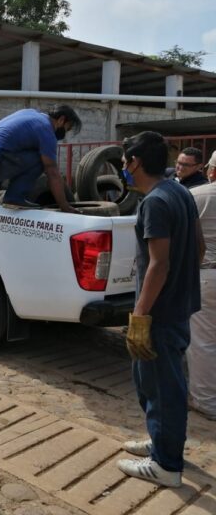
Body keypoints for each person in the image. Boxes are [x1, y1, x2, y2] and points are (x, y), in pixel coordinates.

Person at [117, 131, 204, 488]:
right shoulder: (180, 191)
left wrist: (140, 316)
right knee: (158, 383)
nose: (123, 166)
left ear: (135, 162)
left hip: (159, 314)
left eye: (124, 161)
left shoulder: (154, 202)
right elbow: (198, 248)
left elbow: (158, 265)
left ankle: (167, 465)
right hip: (179, 306)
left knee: (161, 386)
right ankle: (163, 442)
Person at [0, 104, 81, 212]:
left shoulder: (27, 112)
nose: (65, 133)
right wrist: (65, 206)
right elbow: (52, 173)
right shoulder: (46, 129)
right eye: (67, 128)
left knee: (0, 156)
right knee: (42, 160)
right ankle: (14, 197)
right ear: (61, 120)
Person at [187, 149, 216, 420]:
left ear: (211, 171)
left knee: (203, 341)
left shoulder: (197, 196)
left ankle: (205, 401)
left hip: (207, 274)